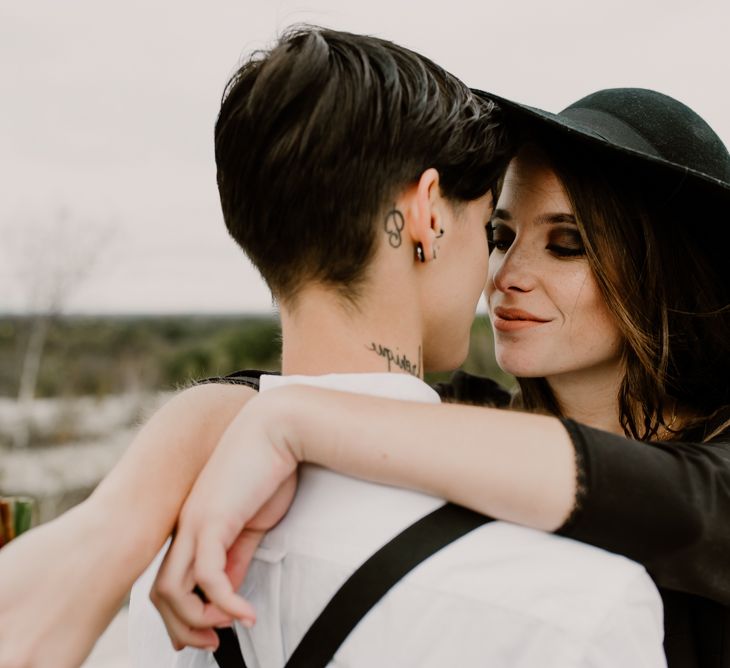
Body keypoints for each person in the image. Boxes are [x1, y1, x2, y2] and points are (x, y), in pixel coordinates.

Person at [127, 27, 663, 668]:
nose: (497, 275)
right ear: (427, 214)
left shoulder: (163, 561)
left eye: (565, 243)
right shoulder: (580, 599)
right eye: (491, 228)